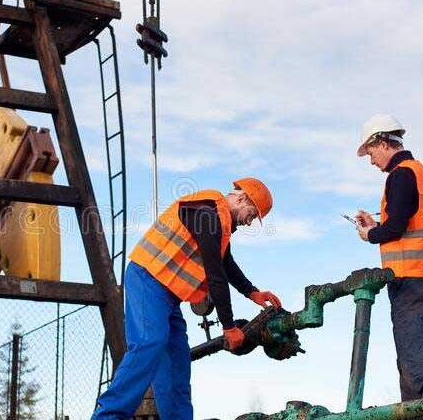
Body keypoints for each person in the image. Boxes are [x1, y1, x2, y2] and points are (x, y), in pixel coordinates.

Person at [91, 178, 283, 420]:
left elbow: (225, 263)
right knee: (150, 342)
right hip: (147, 279)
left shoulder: (218, 220)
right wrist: (229, 326)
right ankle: (108, 415)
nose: (249, 221)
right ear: (242, 199)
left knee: (176, 362)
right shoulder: (207, 213)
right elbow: (216, 275)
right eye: (252, 215)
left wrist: (252, 291)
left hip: (168, 295)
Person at [353, 114, 423, 420]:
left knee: (419, 361)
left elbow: (396, 227)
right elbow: (407, 222)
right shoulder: (422, 173)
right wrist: (379, 225)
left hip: (409, 279)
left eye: (371, 153)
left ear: (382, 142)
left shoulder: (400, 174)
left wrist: (370, 233)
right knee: (413, 363)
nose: (371, 161)